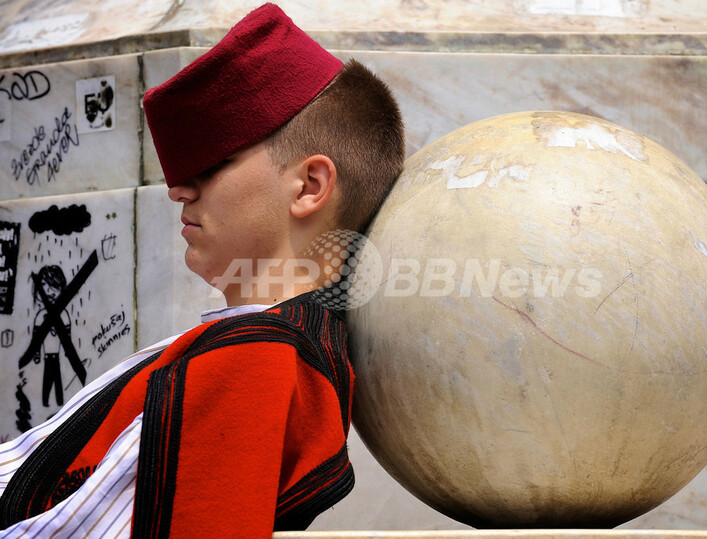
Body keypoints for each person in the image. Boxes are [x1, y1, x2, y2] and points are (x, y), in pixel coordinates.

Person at [0, 3, 404, 536]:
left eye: (212, 164)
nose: (178, 191)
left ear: (309, 186)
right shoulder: (250, 346)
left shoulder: (255, 356)